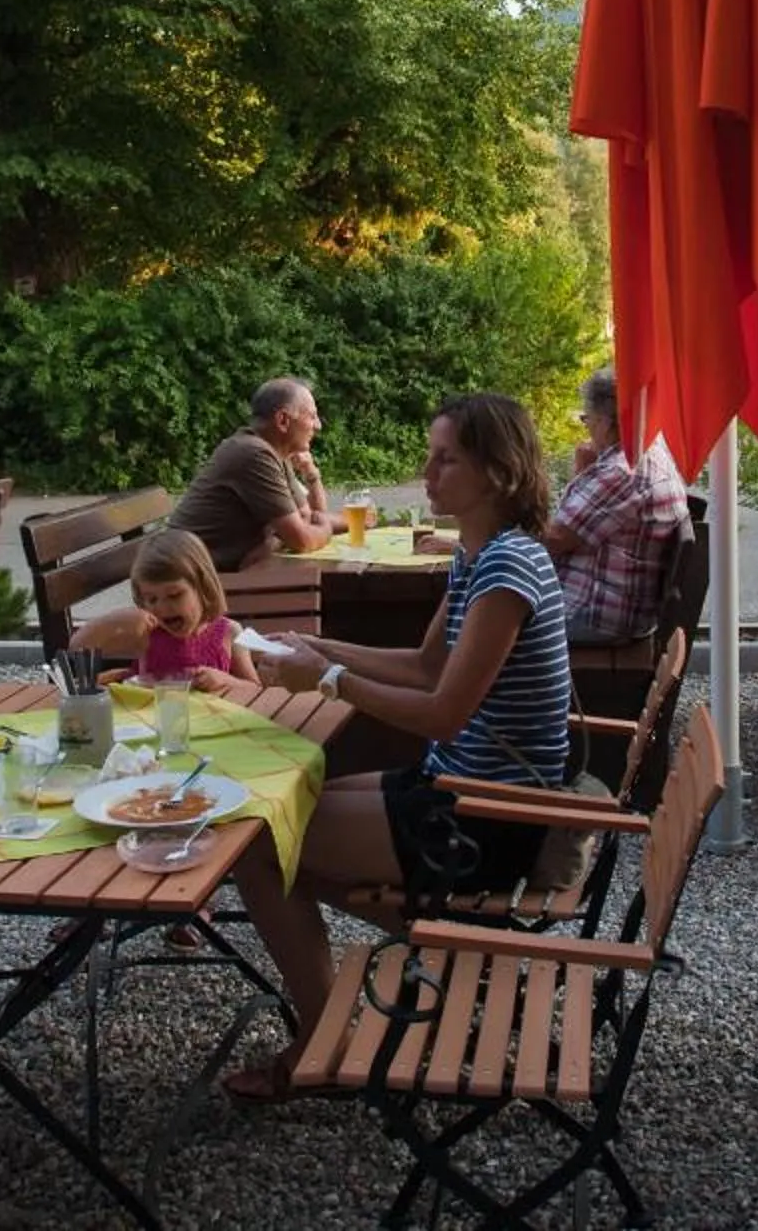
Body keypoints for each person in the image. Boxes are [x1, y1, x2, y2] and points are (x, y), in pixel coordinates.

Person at [221, 393, 571, 1099]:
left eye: (446, 460)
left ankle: (327, 1041)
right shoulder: (479, 554)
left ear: (498, 473)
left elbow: (442, 712)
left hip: (490, 820)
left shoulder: (507, 570)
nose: (426, 472)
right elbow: (424, 664)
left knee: (261, 845)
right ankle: (439, 943)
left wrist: (328, 682)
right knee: (289, 810)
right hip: (458, 789)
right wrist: (321, 647)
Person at [542, 366, 690, 646]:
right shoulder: (652, 449)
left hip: (592, 615)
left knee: (478, 613)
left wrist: (484, 534)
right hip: (623, 609)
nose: (586, 428)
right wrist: (584, 471)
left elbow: (554, 539)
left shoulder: (623, 470)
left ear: (606, 422)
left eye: (586, 419)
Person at [168, 377, 336, 569]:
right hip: (190, 578)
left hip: (216, 570)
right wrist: (326, 529)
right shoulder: (254, 454)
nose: (318, 425)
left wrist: (275, 541)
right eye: (312, 416)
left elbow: (308, 516)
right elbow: (302, 540)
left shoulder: (274, 452)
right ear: (282, 420)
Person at [70, 528, 261, 692]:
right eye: (151, 599)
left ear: (202, 587)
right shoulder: (146, 634)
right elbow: (78, 648)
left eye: (174, 595)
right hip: (153, 720)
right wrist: (113, 620)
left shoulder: (229, 632)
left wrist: (226, 681)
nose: (162, 608)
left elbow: (255, 689)